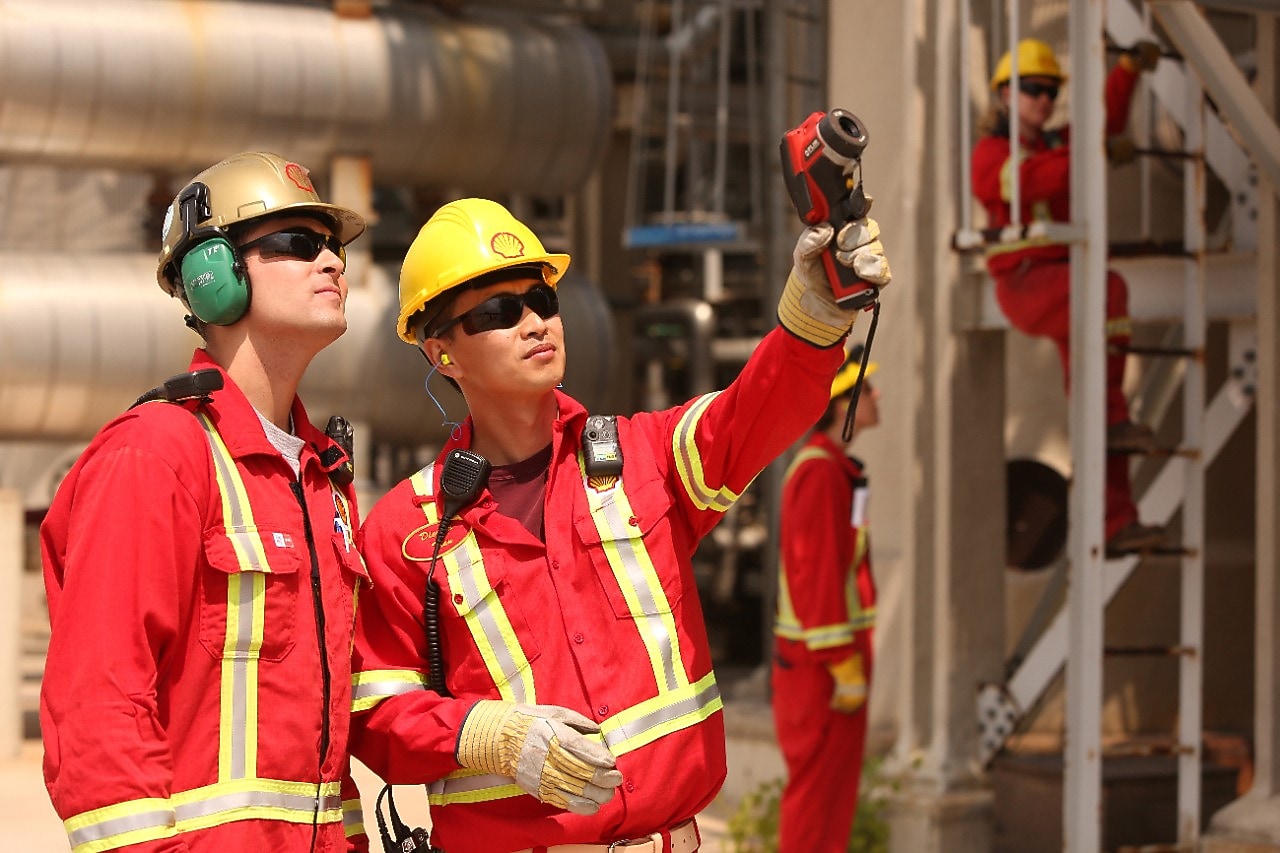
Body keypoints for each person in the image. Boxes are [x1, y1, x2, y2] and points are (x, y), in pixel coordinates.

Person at [348, 197, 892, 852]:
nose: (533, 322)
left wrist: (813, 320)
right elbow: (376, 715)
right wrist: (481, 732)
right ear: (443, 355)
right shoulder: (407, 528)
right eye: (498, 311)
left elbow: (754, 411)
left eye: (541, 301)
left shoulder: (642, 460)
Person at [40, 152, 371, 853]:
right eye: (297, 243)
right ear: (212, 274)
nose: (332, 262)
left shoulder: (323, 477)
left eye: (334, 246)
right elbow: (100, 707)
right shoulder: (156, 453)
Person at [970, 37, 1167, 555]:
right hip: (1028, 284)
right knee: (1111, 289)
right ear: (1005, 95)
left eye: (1051, 88)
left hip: (1061, 283)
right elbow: (1029, 181)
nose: (1044, 98)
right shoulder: (992, 153)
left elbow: (1102, 123)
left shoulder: (1057, 144)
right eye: (1033, 88)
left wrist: (1124, 72)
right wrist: (1091, 153)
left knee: (1098, 410)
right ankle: (1114, 419)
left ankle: (1115, 521)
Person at [771, 344, 880, 852]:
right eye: (869, 389)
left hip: (830, 664)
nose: (878, 397)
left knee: (832, 798)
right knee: (816, 801)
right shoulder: (819, 473)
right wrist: (843, 663)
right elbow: (816, 579)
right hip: (824, 670)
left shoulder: (836, 469)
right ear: (846, 404)